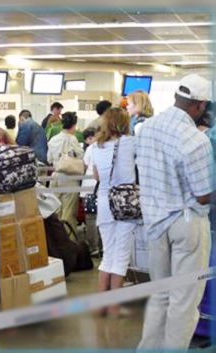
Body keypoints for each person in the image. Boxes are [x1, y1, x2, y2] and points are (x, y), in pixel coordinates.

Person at [137, 74, 212, 350]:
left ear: (176, 98)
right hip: (186, 224)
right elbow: (203, 195)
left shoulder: (147, 128)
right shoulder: (196, 139)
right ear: (200, 106)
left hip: (155, 223)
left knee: (160, 295)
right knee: (184, 300)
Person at [90, 108, 137, 316]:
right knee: (122, 256)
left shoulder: (94, 147)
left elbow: (97, 176)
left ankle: (101, 305)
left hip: (104, 203)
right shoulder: (131, 143)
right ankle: (114, 307)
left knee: (108, 253)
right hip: (125, 203)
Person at [46, 112, 84, 233]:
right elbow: (81, 156)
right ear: (74, 125)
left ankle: (57, 243)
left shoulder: (53, 139)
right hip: (69, 178)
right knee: (68, 213)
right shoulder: (72, 139)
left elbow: (49, 159)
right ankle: (69, 242)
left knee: (56, 212)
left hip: (55, 177)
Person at [80, 127, 100, 256]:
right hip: (101, 188)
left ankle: (93, 247)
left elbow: (85, 165)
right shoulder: (106, 147)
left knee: (91, 218)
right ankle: (103, 247)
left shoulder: (90, 149)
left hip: (89, 188)